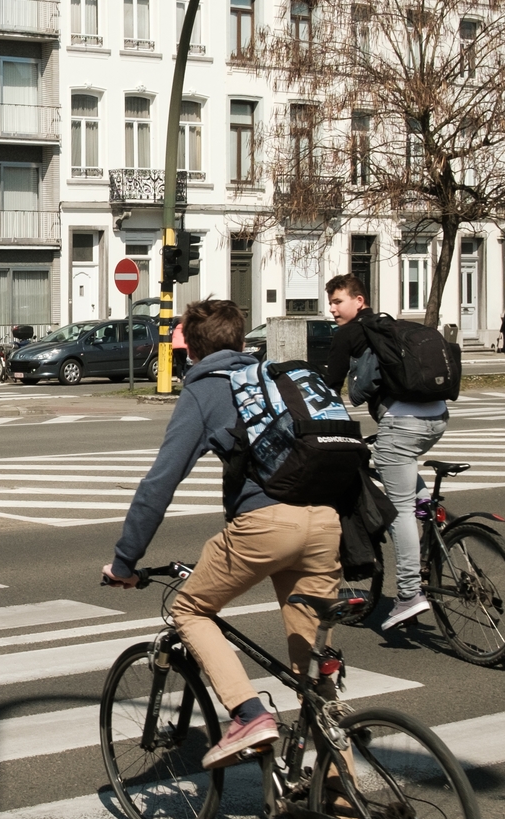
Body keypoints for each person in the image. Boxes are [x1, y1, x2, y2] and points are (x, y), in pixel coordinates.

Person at [100, 298, 345, 770]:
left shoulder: (206, 389)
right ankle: (341, 810)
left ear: (191, 349)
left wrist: (125, 562)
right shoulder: (273, 378)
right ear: (239, 339)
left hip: (267, 526)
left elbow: (160, 483)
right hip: (325, 523)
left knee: (189, 609)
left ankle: (249, 714)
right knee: (314, 676)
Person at [319, 273, 448, 634]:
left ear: (359, 301)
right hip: (436, 417)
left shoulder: (349, 333)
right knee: (401, 470)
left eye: (338, 301)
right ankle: (429, 509)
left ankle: (409, 594)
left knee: (398, 511)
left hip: (402, 423)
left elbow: (330, 386)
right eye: (330, 302)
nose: (332, 309)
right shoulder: (388, 325)